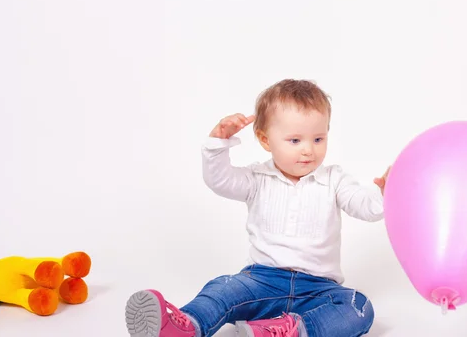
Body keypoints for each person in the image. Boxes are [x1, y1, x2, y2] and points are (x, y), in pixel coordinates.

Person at [125, 79, 391, 337]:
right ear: (266, 140)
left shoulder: (334, 179)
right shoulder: (257, 178)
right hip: (261, 280)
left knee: (359, 306)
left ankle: (286, 331)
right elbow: (220, 181)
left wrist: (384, 192)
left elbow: (364, 207)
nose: (309, 150)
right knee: (223, 288)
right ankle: (185, 325)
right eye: (295, 141)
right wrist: (217, 145)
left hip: (318, 288)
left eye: (318, 139)